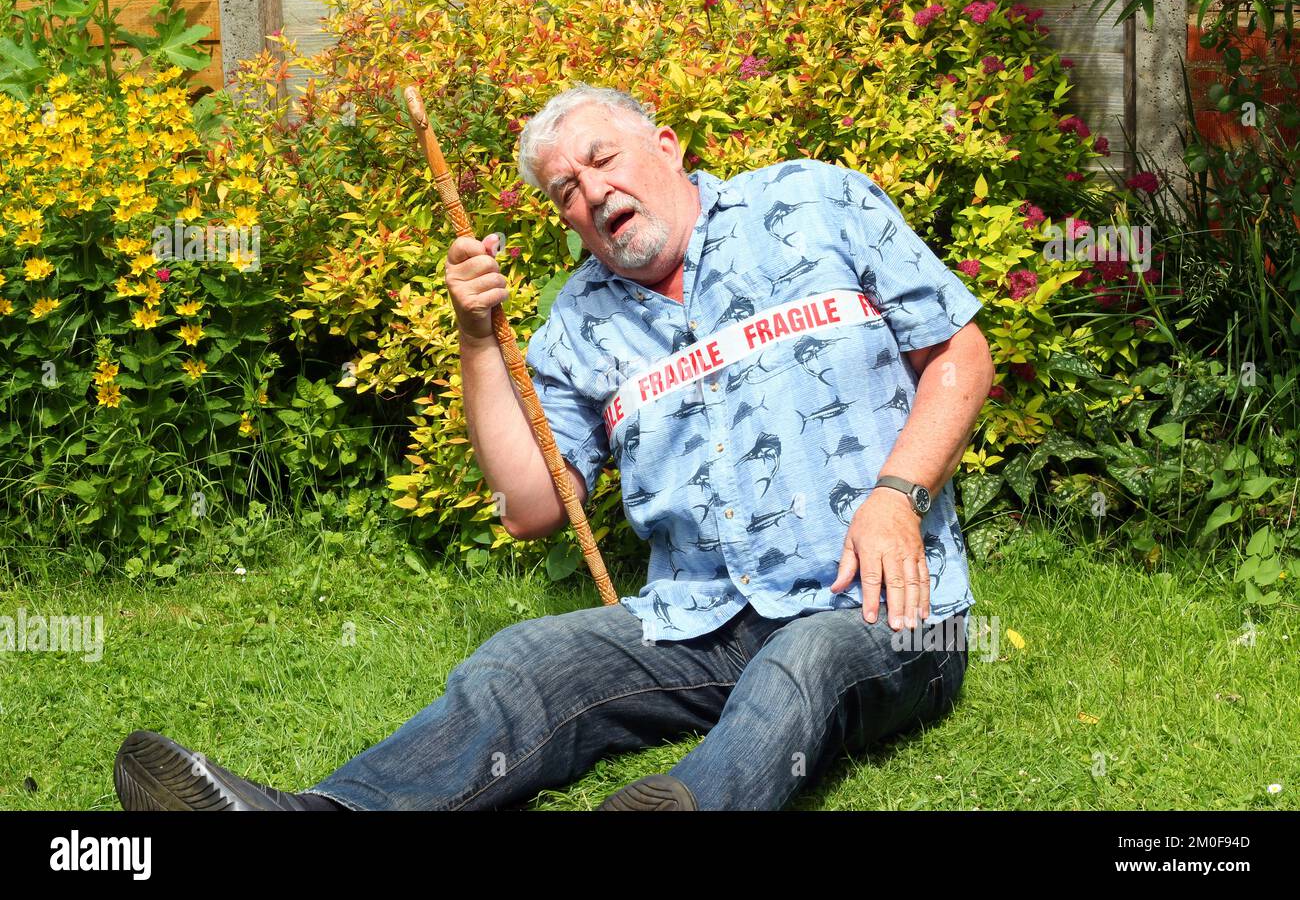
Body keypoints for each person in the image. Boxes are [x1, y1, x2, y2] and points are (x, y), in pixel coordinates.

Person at [114, 82, 994, 811]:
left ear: (668, 146)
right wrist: (475, 336)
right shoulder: (576, 325)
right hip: (702, 623)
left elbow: (958, 350)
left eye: (601, 160)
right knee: (522, 659)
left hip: (881, 604)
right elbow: (530, 507)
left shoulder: (814, 200)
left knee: (805, 662)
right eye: (564, 189)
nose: (590, 191)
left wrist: (898, 494)